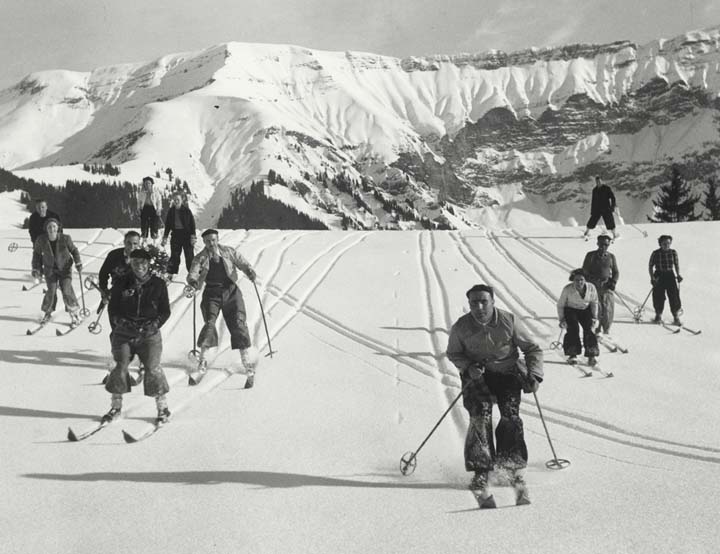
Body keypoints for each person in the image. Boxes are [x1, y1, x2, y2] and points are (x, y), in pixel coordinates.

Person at [446, 284, 543, 508]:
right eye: (474, 303)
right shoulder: (461, 327)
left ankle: (510, 465)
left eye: (484, 301)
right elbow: (453, 353)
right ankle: (481, 469)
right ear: (469, 304)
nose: (479, 307)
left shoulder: (509, 320)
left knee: (510, 415)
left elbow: (532, 349)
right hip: (477, 376)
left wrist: (534, 375)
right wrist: (468, 367)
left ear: (493, 301)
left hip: (507, 372)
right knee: (480, 415)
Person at [102, 249, 171, 425]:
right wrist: (119, 322)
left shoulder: (158, 284)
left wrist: (155, 324)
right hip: (125, 332)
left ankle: (162, 408)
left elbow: (165, 311)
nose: (139, 266)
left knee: (152, 367)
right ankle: (115, 407)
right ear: (131, 265)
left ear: (148, 264)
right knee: (120, 366)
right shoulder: (122, 283)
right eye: (135, 263)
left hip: (149, 334)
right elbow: (113, 309)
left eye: (142, 263)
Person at [186, 229, 258, 386]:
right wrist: (192, 281)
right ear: (204, 242)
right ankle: (203, 360)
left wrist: (249, 271)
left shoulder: (228, 251)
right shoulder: (201, 258)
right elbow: (194, 271)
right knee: (209, 324)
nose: (211, 244)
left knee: (238, 323)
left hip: (231, 291)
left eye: (213, 240)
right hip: (211, 293)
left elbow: (242, 262)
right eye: (207, 241)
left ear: (217, 239)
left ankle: (247, 361)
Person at [97, 230, 143, 384]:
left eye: (135, 243)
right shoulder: (114, 256)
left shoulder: (143, 258)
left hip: (136, 300)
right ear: (124, 243)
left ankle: (142, 362)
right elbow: (103, 274)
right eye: (129, 243)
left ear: (139, 244)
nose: (132, 246)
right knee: (117, 332)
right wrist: (104, 291)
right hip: (116, 299)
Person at [31, 218, 83, 325]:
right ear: (46, 229)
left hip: (65, 269)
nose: (52, 229)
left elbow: (74, 250)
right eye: (49, 227)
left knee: (66, 289)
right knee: (51, 291)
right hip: (50, 270)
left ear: (58, 227)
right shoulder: (41, 240)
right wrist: (36, 268)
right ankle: (47, 312)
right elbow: (36, 254)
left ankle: (74, 313)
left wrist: (78, 262)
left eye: (54, 226)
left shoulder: (65, 238)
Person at [557, 269, 600, 365]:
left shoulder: (591, 288)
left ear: (585, 280)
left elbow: (594, 302)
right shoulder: (567, 289)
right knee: (573, 329)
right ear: (573, 280)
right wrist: (562, 319)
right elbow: (560, 305)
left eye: (581, 279)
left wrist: (594, 317)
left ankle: (591, 354)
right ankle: (572, 354)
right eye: (576, 280)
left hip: (585, 309)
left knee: (589, 328)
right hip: (570, 310)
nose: (579, 282)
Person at [581, 234, 619, 335]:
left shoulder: (611, 257)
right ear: (597, 243)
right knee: (596, 308)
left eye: (606, 244)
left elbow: (616, 272)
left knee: (608, 308)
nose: (603, 247)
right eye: (602, 244)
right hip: (594, 286)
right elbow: (584, 271)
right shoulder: (591, 255)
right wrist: (592, 280)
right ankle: (596, 328)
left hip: (606, 286)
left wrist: (613, 282)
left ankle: (606, 329)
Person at [648, 235, 683, 325]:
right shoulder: (655, 253)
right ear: (660, 244)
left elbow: (676, 264)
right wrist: (652, 278)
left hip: (670, 275)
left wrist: (678, 275)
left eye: (668, 243)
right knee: (658, 296)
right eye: (664, 243)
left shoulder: (673, 252)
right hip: (659, 275)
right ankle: (658, 315)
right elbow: (650, 266)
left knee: (674, 296)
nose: (666, 245)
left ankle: (676, 316)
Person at [161, 192, 196, 279]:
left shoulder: (186, 211)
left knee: (189, 256)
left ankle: (193, 274)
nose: (176, 201)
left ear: (181, 200)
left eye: (178, 200)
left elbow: (192, 224)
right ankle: (170, 274)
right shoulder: (171, 211)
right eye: (175, 200)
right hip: (176, 234)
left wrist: (193, 236)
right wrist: (165, 236)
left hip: (186, 235)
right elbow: (168, 225)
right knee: (174, 255)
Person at [137, 177, 162, 243]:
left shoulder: (155, 192)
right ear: (144, 184)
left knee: (154, 223)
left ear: (151, 184)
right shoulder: (141, 193)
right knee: (144, 223)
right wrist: (139, 209)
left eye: (149, 183)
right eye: (146, 183)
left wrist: (158, 209)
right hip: (145, 208)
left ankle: (154, 239)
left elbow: (159, 201)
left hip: (153, 208)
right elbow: (139, 202)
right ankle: (144, 238)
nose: (147, 185)